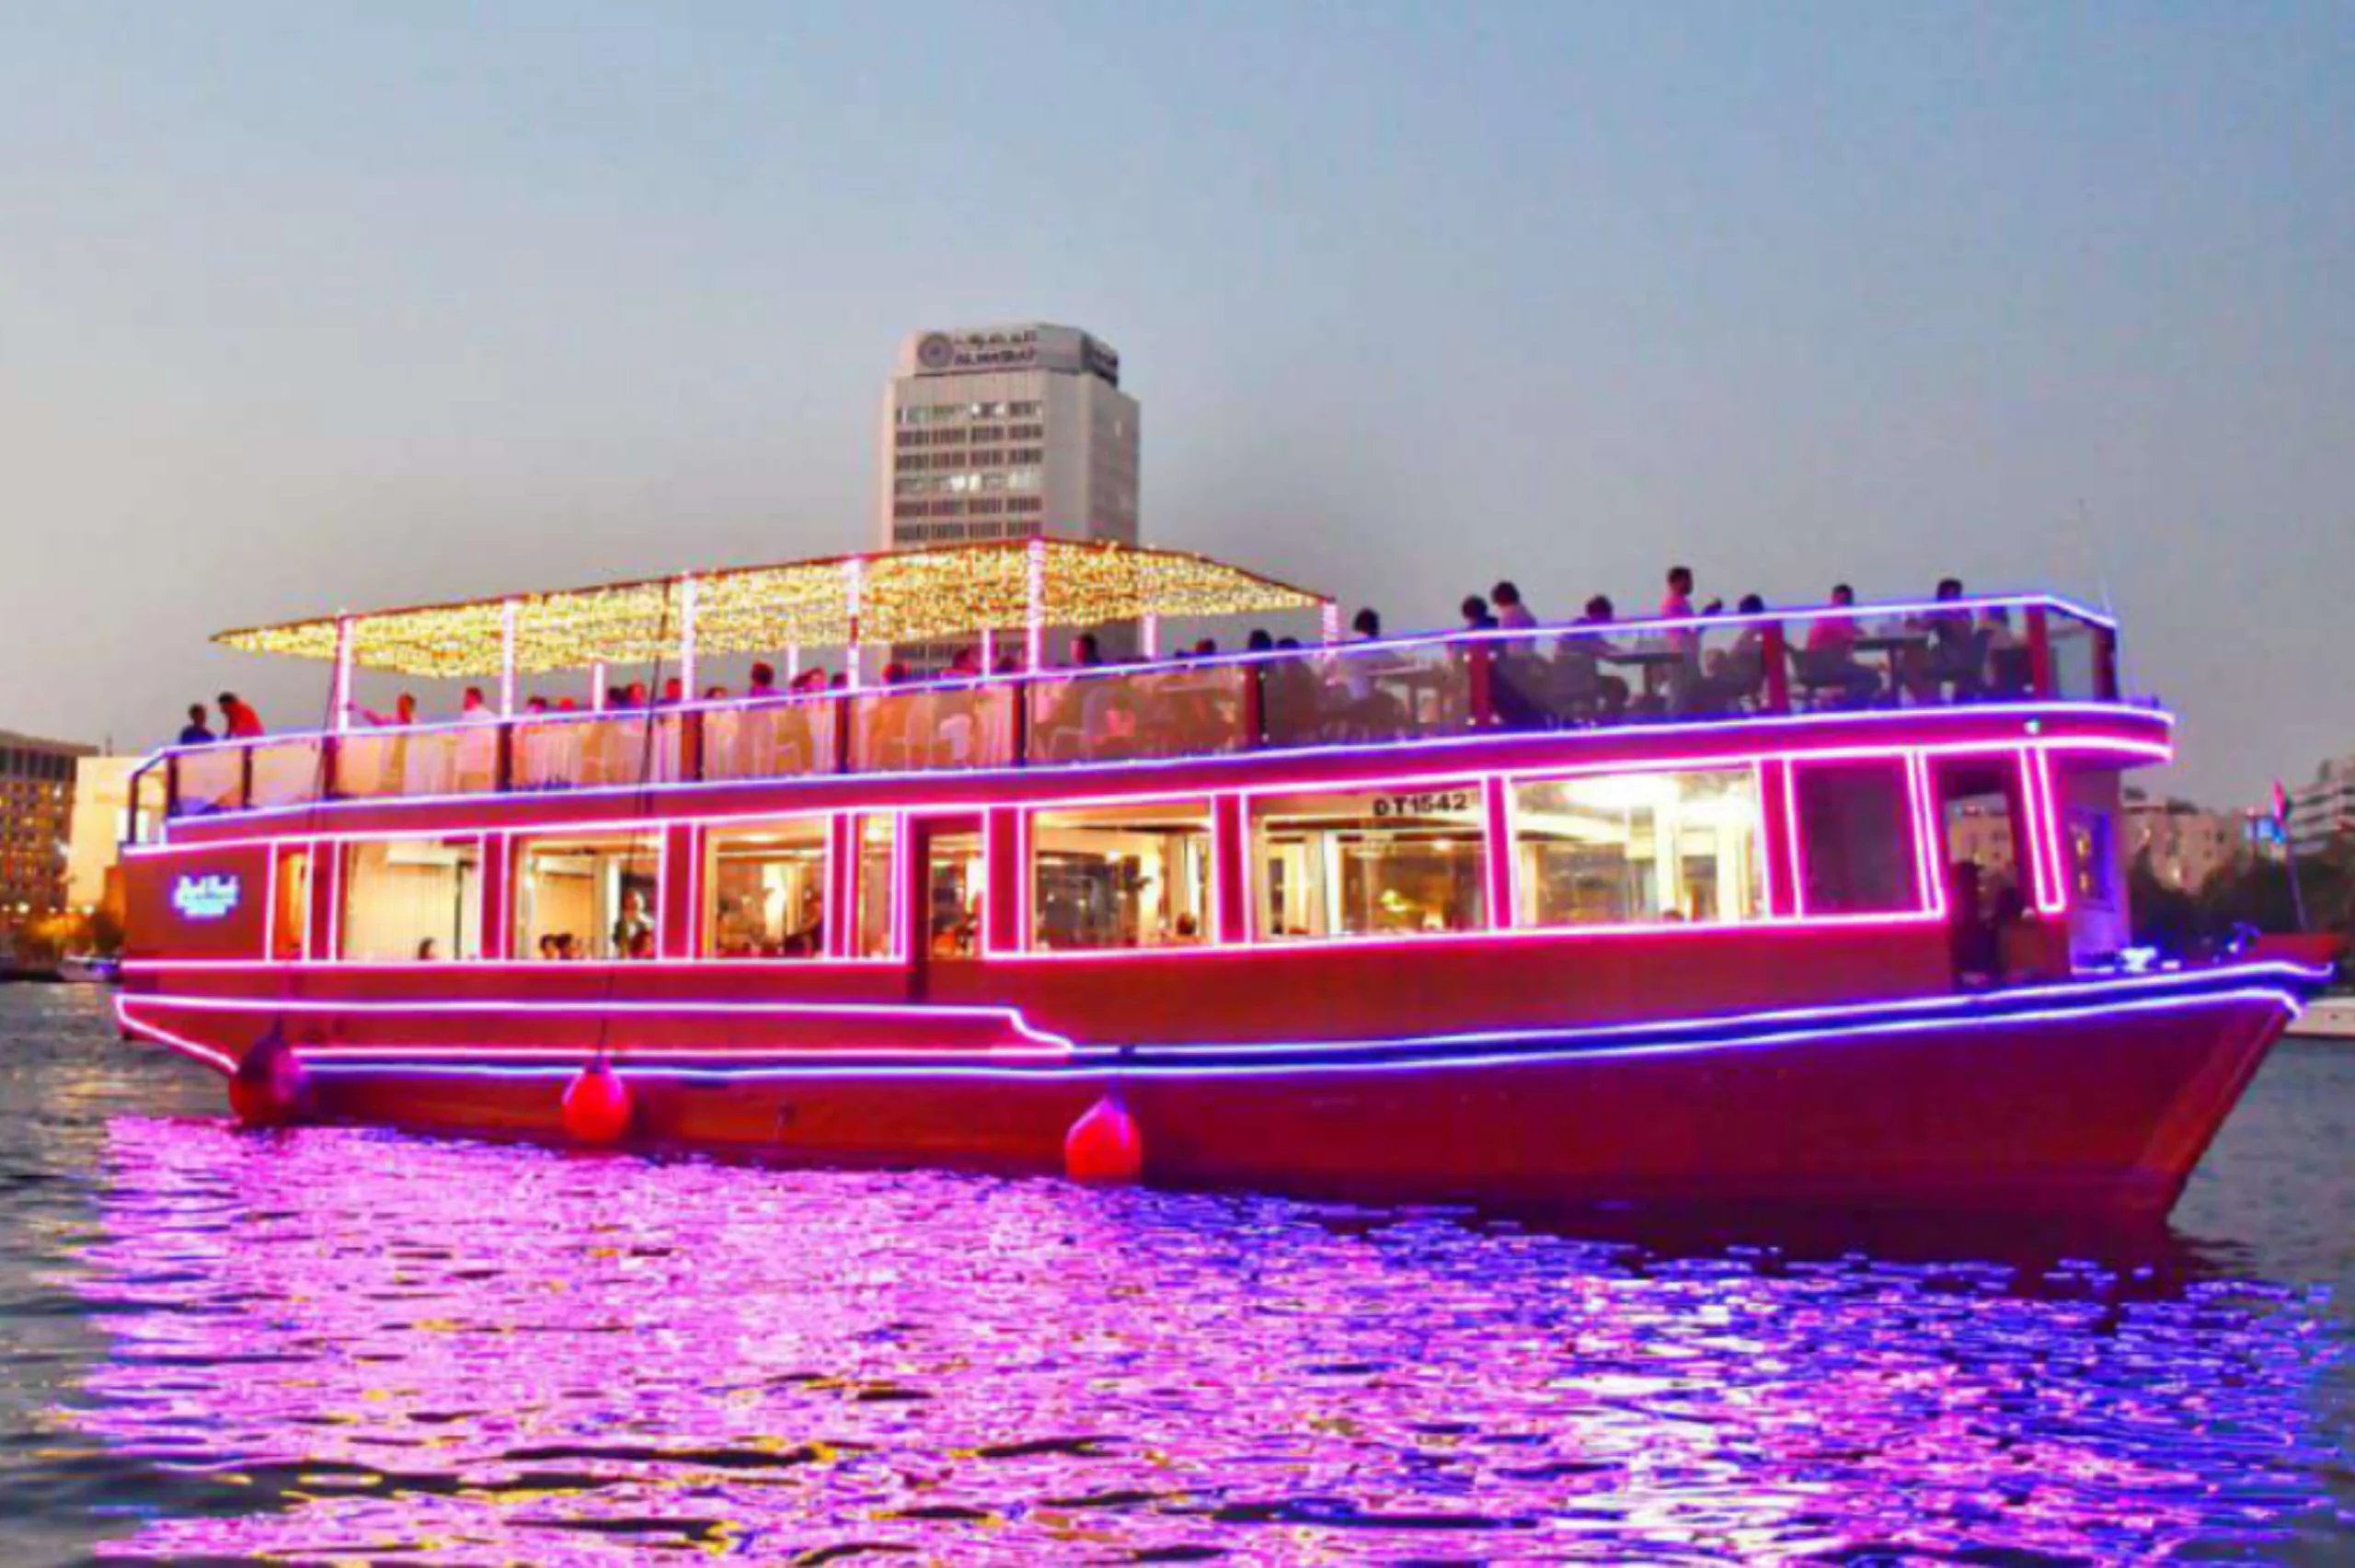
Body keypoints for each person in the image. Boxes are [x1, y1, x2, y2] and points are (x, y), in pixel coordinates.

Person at [1797, 584, 1881, 707]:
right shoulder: (1837, 616)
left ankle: (1845, 702)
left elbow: (1848, 641)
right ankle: (1849, 706)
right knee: (1872, 677)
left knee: (1865, 674)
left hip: (1811, 666)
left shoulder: (1823, 616)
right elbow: (1856, 635)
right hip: (1826, 667)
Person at [612, 888, 654, 959]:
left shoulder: (649, 924)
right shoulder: (620, 925)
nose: (632, 910)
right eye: (628, 906)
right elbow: (619, 948)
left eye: (635, 906)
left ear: (641, 906)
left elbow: (649, 950)